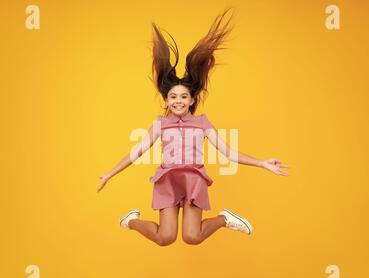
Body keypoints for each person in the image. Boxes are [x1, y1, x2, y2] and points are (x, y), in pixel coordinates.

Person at [97, 9, 289, 246]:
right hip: (168, 179)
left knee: (192, 236)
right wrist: (110, 173)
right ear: (167, 101)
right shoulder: (161, 124)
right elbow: (137, 152)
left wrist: (262, 163)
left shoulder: (202, 123)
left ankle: (224, 219)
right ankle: (131, 221)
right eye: (173, 97)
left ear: (191, 100)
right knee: (165, 237)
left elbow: (228, 152)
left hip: (193, 180)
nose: (178, 101)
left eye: (183, 97)